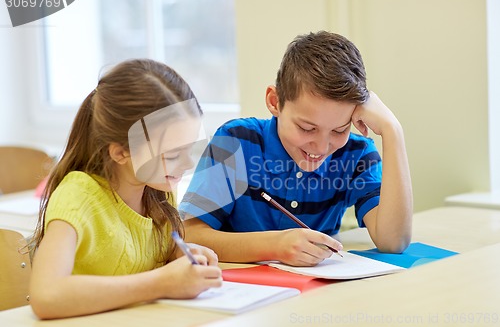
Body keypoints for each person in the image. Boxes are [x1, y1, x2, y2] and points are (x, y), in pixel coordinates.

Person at [179, 31, 413, 267]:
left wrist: (392, 131)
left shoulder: (356, 154)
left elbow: (393, 242)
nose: (321, 147)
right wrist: (275, 246)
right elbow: (190, 235)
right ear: (274, 102)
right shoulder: (235, 142)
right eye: (307, 128)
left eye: (339, 130)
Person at [28, 59, 222, 319]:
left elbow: (145, 253)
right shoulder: (78, 197)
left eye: (189, 149)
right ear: (121, 152)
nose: (188, 164)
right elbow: (46, 296)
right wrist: (162, 282)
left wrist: (181, 254)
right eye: (174, 154)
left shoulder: (157, 190)